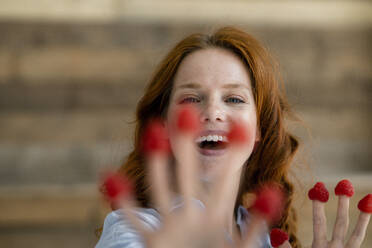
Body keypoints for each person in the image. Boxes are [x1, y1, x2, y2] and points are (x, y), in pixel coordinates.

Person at [95, 26, 370, 248]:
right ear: (163, 126)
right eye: (191, 98)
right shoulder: (132, 232)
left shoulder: (264, 235)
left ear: (259, 128)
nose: (213, 111)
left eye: (234, 98)